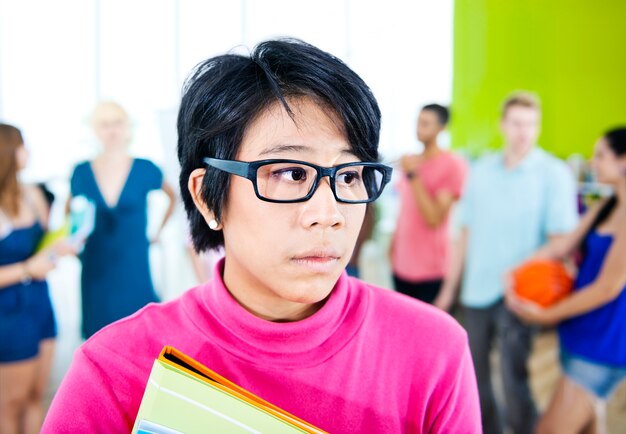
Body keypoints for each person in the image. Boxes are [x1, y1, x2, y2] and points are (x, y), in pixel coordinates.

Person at [42, 39, 480, 433]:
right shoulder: (116, 371)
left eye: (349, 175)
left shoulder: (433, 351)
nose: (327, 215)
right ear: (207, 197)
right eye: (290, 173)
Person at [434, 92, 579, 434]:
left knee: (514, 380)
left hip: (522, 293)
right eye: (516, 123)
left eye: (530, 124)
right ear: (503, 125)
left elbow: (562, 240)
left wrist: (517, 269)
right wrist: (448, 291)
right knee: (474, 376)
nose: (523, 132)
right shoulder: (481, 171)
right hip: (476, 291)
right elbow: (463, 235)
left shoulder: (553, 174)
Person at [507, 127, 626, 434]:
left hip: (603, 345)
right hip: (580, 330)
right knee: (589, 422)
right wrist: (516, 271)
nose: (592, 161)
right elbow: (562, 246)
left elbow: (607, 288)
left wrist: (545, 315)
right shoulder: (607, 205)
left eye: (600, 155)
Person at [67, 102, 176, 339]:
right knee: (99, 340)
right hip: (96, 267)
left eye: (117, 123)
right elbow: (71, 211)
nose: (112, 131)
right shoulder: (81, 172)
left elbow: (172, 197)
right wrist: (74, 239)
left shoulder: (145, 168)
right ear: (95, 130)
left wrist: (157, 231)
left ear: (127, 128)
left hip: (134, 264)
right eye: (104, 125)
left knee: (138, 335)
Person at [0, 124, 73, 433]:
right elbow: (30, 263)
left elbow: (42, 245)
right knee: (10, 402)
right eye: (21, 146)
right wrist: (29, 269)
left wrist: (58, 247)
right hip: (8, 313)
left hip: (40, 304)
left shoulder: (32, 194)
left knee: (36, 397)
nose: (27, 153)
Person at [390, 104, 467, 304]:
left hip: (430, 270)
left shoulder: (452, 164)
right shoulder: (411, 161)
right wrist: (393, 246)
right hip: (401, 265)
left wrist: (413, 175)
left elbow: (433, 218)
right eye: (418, 122)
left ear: (442, 129)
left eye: (426, 123)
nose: (419, 128)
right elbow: (405, 211)